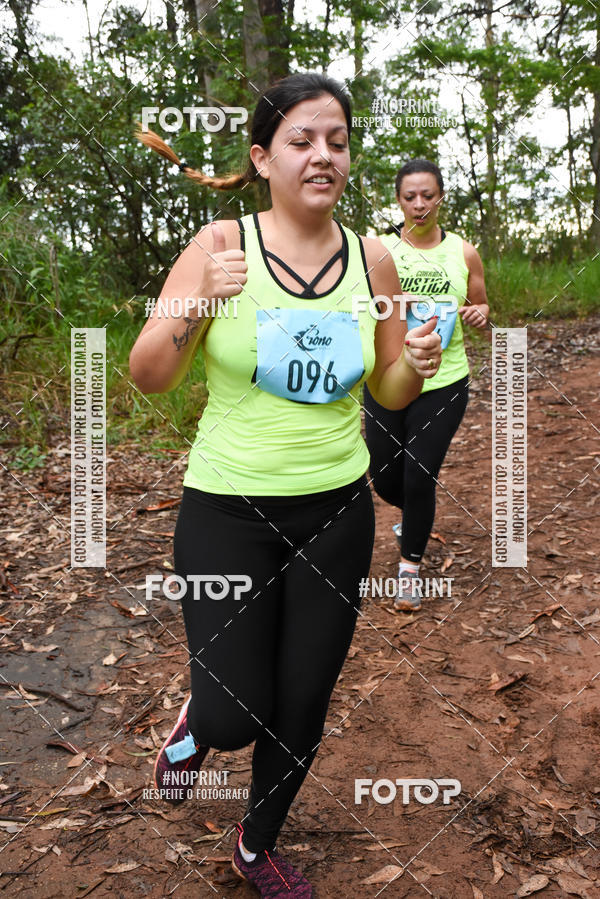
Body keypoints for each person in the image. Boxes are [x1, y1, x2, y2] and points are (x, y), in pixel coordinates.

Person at [129, 75, 441, 898]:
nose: (323, 155)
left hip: (336, 511)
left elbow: (390, 390)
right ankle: (198, 727)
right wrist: (197, 304)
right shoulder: (216, 244)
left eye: (336, 140)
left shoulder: (373, 255)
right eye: (303, 140)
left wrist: (417, 361)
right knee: (235, 713)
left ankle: (255, 844)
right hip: (226, 508)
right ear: (264, 157)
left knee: (302, 701)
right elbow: (147, 373)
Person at [363, 159, 489, 613]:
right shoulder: (379, 252)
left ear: (441, 198)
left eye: (428, 195)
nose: (419, 204)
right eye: (409, 196)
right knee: (384, 477)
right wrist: (395, 301)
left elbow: (479, 305)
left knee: (420, 474)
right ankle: (413, 517)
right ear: (398, 200)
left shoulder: (463, 251)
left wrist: (479, 315)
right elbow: (360, 307)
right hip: (387, 375)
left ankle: (409, 570)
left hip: (444, 381)